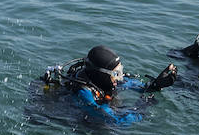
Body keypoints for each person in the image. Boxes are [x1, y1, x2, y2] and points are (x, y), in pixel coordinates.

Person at [40, 44, 177, 124]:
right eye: (116, 74)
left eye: (120, 71)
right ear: (102, 74)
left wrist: (155, 85)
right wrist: (141, 108)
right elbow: (115, 121)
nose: (120, 77)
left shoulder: (104, 80)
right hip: (85, 124)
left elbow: (134, 85)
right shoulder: (84, 93)